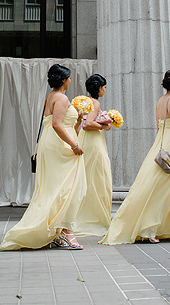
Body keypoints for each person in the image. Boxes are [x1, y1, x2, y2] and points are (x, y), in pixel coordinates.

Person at [101, 69, 170, 245]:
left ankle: (160, 226)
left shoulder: (161, 101)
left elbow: (158, 126)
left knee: (160, 186)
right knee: (165, 188)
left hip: (161, 142)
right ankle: (149, 227)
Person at [0, 64, 86, 250]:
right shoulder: (61, 98)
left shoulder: (51, 96)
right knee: (69, 188)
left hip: (52, 143)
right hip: (60, 147)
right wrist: (75, 145)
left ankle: (59, 230)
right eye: (69, 78)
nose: (71, 80)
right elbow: (57, 124)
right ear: (63, 80)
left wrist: (77, 121)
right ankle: (65, 232)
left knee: (56, 188)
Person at [74, 74, 113, 236]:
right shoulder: (94, 103)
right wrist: (104, 125)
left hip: (85, 140)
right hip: (93, 142)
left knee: (88, 177)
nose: (105, 89)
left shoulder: (85, 102)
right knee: (99, 177)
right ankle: (95, 219)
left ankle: (85, 215)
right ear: (98, 88)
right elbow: (87, 124)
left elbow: (79, 122)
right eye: (104, 87)